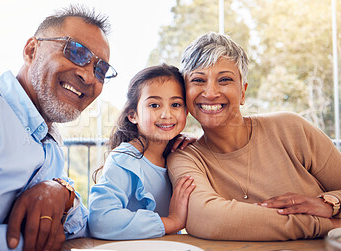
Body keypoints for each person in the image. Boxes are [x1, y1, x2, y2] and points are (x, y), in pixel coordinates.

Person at [0, 4, 117, 251]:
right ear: (31, 50)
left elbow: (81, 226)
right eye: (76, 52)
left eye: (101, 70)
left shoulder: (51, 147)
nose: (88, 77)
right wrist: (20, 242)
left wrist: (63, 193)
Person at [167, 32, 341, 241]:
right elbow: (210, 219)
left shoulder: (291, 129)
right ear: (185, 93)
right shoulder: (184, 157)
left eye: (224, 80)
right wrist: (328, 224)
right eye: (198, 80)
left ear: (243, 92)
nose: (211, 92)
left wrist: (329, 203)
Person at [88, 64, 196, 240]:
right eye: (154, 105)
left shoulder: (178, 154)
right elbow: (100, 219)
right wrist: (172, 222)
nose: (166, 114)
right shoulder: (125, 158)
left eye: (176, 104)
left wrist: (200, 146)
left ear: (186, 111)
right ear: (133, 115)